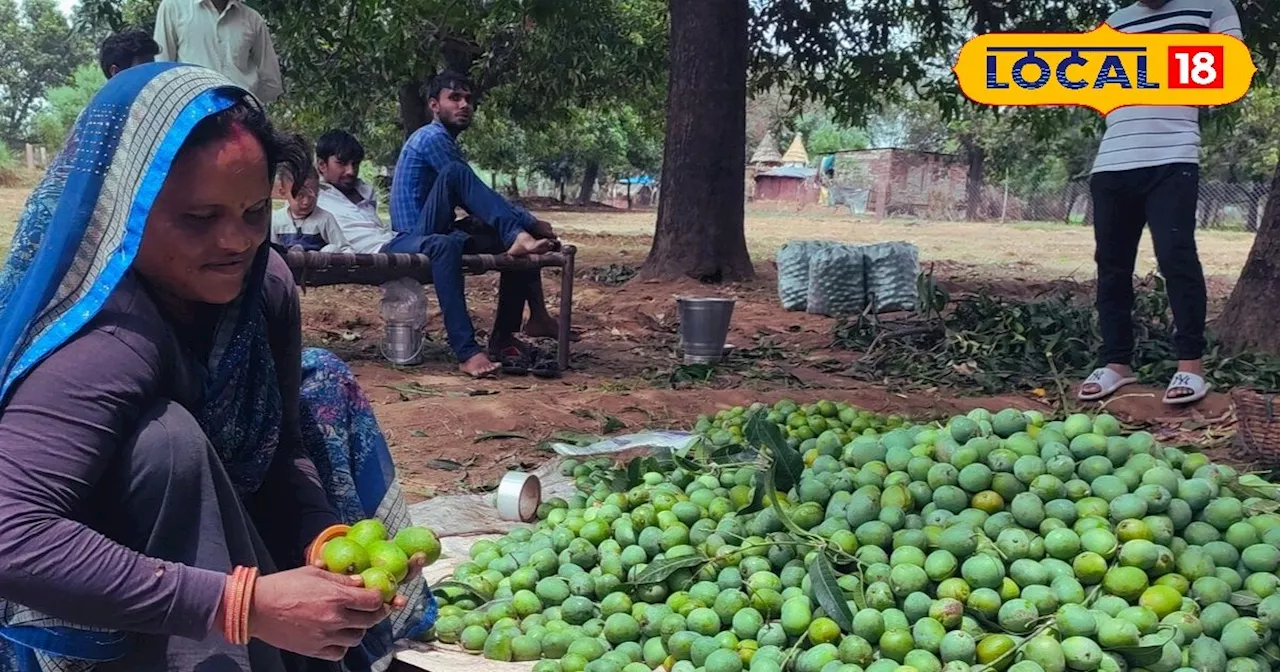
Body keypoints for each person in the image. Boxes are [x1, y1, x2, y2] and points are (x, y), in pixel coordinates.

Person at [0, 63, 432, 671]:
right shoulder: (104, 339)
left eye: (254, 212)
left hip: (220, 537)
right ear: (125, 214)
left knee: (321, 381)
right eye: (200, 219)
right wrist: (242, 604)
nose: (237, 241)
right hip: (103, 577)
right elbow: (10, 536)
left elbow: (283, 450)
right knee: (165, 443)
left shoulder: (265, 287)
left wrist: (327, 546)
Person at [1078, 0, 1241, 405]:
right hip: (1113, 160)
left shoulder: (1211, 7)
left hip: (1173, 157)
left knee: (1176, 257)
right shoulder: (1115, 22)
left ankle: (1190, 367)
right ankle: (1116, 363)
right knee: (1111, 266)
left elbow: (1230, 70)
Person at [387, 71, 561, 378]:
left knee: (507, 239)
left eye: (468, 99)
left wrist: (525, 225)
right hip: (416, 234)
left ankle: (509, 333)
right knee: (457, 174)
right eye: (454, 98)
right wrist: (529, 220)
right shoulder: (431, 138)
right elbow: (469, 189)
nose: (464, 105)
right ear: (433, 105)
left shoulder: (445, 140)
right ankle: (468, 350)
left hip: (442, 227)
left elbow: (478, 196)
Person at [153, 0, 284, 105]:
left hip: (242, 116)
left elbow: (271, 81)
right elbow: (162, 72)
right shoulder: (173, 8)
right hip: (194, 115)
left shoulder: (252, 19)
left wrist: (246, 104)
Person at [313, 129, 396, 255]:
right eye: (342, 163)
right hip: (375, 255)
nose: (351, 171)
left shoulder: (364, 191)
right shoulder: (315, 198)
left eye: (355, 164)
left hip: (394, 241)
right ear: (322, 165)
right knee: (435, 245)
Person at [273, 135, 352, 253]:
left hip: (320, 269)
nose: (306, 202)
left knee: (332, 249)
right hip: (287, 268)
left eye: (312, 195)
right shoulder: (276, 220)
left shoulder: (325, 219)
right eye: (299, 196)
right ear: (283, 193)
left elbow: (345, 249)